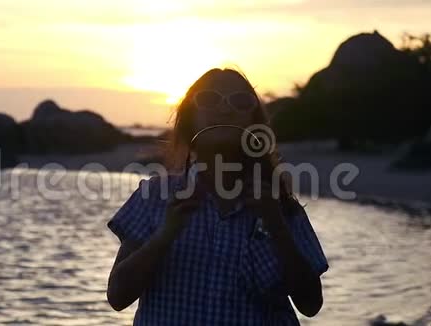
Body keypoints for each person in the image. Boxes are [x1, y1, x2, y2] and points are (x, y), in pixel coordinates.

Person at [106, 68, 329, 325]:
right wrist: (165, 236)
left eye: (240, 101)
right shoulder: (153, 196)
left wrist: (275, 224)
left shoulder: (280, 205)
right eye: (209, 99)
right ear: (191, 118)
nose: (225, 109)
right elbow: (118, 297)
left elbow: (311, 304)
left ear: (253, 123)